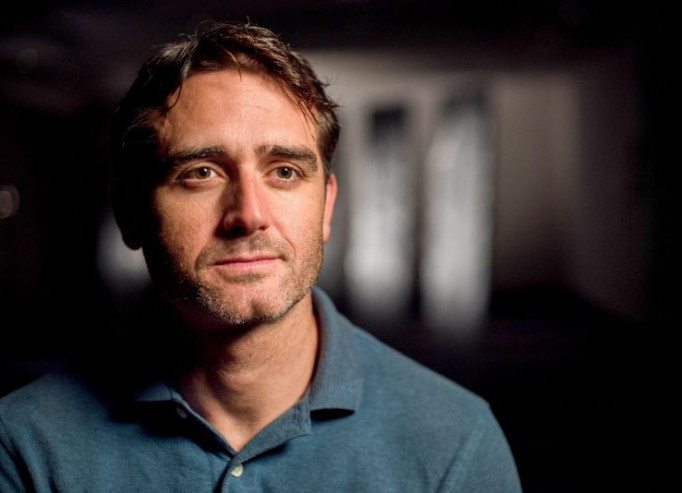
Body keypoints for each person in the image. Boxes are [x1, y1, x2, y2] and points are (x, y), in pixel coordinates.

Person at [0, 21, 521, 492]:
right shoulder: (24, 447)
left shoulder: (454, 443)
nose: (248, 215)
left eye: (284, 172)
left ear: (326, 207)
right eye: (201, 172)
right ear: (130, 214)